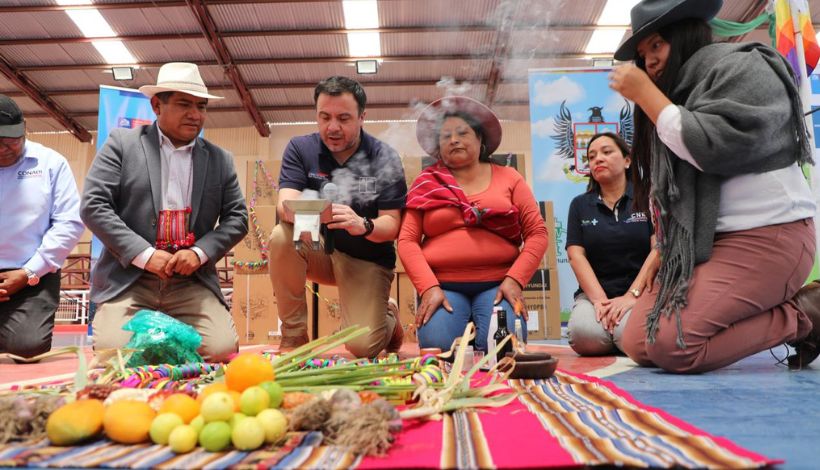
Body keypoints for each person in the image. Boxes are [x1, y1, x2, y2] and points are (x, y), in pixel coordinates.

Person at [609, 0, 820, 373]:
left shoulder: (745, 65)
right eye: (643, 55)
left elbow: (711, 147)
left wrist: (645, 94)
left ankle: (804, 315)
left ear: (687, 35)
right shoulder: (673, 100)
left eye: (657, 46)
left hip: (770, 238)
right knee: (637, 341)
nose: (650, 61)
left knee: (672, 346)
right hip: (709, 248)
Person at [81, 62, 248, 362]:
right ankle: (160, 340)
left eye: (201, 106)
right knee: (115, 354)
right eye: (184, 104)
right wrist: (145, 255)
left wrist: (199, 253)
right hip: (130, 279)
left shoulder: (220, 160)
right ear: (157, 105)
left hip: (191, 281)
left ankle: (160, 339)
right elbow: (94, 205)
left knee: (221, 349)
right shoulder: (122, 144)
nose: (195, 114)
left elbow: (238, 218)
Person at [269, 76, 407, 357]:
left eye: (344, 118)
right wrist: (322, 211)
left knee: (362, 346)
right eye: (325, 117)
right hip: (318, 251)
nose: (332, 128)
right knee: (281, 236)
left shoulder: (384, 156)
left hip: (366, 258)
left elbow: (391, 224)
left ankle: (388, 319)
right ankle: (294, 335)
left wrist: (363, 224)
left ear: (362, 117)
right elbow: (285, 206)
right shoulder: (300, 148)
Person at [398, 96, 548, 353]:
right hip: (443, 287)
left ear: (480, 140)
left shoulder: (510, 177)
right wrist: (429, 288)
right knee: (437, 345)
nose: (453, 140)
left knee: (504, 346)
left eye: (462, 133)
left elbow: (537, 233)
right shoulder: (426, 182)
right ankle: (464, 334)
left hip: (498, 285)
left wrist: (515, 280)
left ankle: (479, 336)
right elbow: (407, 241)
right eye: (445, 136)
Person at [0, 94, 84, 359]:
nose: (4, 148)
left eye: (11, 140)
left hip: (35, 275)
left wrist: (27, 273)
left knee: (26, 348)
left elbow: (69, 222)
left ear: (24, 129)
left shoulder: (50, 163)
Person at [566, 132, 658, 356]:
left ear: (627, 161)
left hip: (641, 291)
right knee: (584, 335)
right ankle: (618, 335)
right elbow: (576, 255)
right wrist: (600, 302)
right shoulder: (580, 205)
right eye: (592, 156)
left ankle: (620, 334)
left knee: (632, 332)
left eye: (607, 152)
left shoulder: (649, 197)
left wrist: (631, 297)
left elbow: (659, 249)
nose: (598, 159)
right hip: (595, 296)